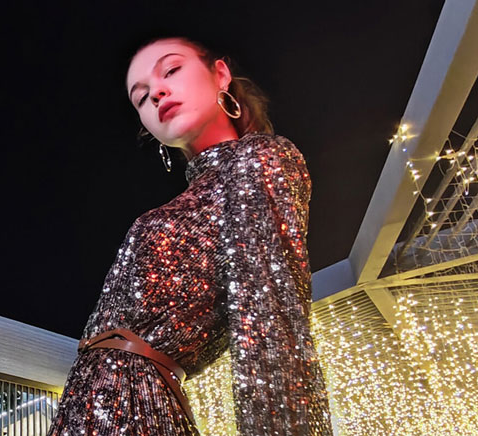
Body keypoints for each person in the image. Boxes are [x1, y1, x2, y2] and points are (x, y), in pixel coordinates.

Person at [47, 36, 332, 436]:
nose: (156, 93)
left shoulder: (258, 158)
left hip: (137, 410)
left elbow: (269, 317)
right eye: (140, 97)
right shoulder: (193, 195)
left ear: (220, 74)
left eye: (171, 70)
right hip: (88, 407)